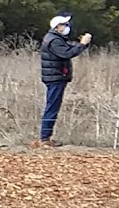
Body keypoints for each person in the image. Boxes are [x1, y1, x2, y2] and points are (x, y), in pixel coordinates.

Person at [38, 12, 92, 145]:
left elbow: (68, 48)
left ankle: (46, 137)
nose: (67, 26)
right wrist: (83, 44)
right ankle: (45, 138)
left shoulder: (55, 38)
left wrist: (81, 44)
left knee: (52, 105)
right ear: (57, 27)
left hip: (55, 76)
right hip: (55, 78)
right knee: (52, 107)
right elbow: (67, 53)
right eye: (64, 24)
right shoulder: (54, 40)